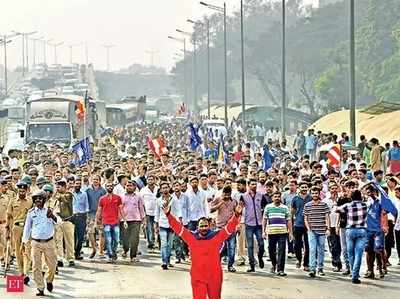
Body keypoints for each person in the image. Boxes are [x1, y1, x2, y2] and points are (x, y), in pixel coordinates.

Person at [162, 198, 243, 299]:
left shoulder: (216, 236)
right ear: (197, 227)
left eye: (206, 226)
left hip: (215, 276)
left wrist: (236, 215)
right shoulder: (191, 237)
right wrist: (168, 215)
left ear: (209, 226)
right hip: (198, 277)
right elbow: (177, 227)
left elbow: (229, 227)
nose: (204, 228)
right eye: (201, 226)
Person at [21, 190, 59, 296]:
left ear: (44, 200)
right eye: (36, 198)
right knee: (36, 267)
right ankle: (40, 287)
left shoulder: (50, 210)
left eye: (40, 198)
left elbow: (59, 222)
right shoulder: (31, 212)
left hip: (49, 242)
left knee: (52, 266)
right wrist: (24, 242)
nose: (38, 200)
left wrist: (52, 216)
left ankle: (49, 280)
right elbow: (27, 228)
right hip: (35, 243)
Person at [336, 190, 368, 284]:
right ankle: (355, 275)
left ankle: (353, 272)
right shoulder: (365, 205)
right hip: (362, 230)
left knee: (350, 253)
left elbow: (336, 209)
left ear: (352, 197)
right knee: (359, 253)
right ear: (360, 196)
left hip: (350, 230)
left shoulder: (348, 205)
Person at [6, 180, 33, 285]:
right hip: (16, 229)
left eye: (23, 191)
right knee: (18, 251)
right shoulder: (12, 201)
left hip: (27, 229)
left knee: (27, 250)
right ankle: (21, 272)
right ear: (18, 190)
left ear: (26, 191)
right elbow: (9, 216)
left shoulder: (30, 202)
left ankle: (26, 273)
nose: (22, 192)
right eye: (20, 190)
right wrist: (7, 230)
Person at [240, 178, 268, 272]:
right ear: (248, 185)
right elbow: (239, 209)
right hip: (249, 223)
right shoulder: (243, 196)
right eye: (252, 184)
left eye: (255, 184)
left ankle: (260, 257)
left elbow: (266, 207)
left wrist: (264, 216)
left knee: (261, 243)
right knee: (250, 245)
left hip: (259, 223)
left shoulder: (261, 195)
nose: (254, 186)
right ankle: (251, 265)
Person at [96, 182, 127, 263]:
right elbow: (99, 211)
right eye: (108, 186)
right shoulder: (102, 199)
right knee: (108, 240)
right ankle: (110, 255)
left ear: (113, 187)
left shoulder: (118, 198)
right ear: (105, 187)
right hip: (106, 222)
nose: (110, 187)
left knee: (116, 239)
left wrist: (125, 220)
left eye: (111, 185)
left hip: (116, 222)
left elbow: (121, 209)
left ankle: (113, 251)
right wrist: (96, 221)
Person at [262, 191, 292, 276]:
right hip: (271, 232)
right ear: (272, 198)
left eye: (279, 196)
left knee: (282, 251)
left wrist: (290, 232)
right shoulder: (268, 207)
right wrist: (263, 231)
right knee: (271, 250)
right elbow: (264, 219)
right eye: (275, 196)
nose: (277, 198)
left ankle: (280, 269)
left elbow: (288, 220)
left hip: (282, 232)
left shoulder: (285, 208)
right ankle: (274, 264)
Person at [303, 186, 330, 278]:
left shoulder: (324, 205)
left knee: (321, 249)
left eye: (316, 193)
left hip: (322, 230)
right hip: (312, 230)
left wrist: (328, 228)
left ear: (319, 194)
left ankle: (320, 268)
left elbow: (327, 217)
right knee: (312, 249)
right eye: (313, 193)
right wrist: (308, 228)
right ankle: (312, 269)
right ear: (311, 194)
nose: (315, 195)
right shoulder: (307, 205)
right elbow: (305, 218)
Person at [210, 185, 238, 272]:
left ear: (230, 194)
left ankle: (230, 265)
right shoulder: (218, 199)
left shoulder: (234, 201)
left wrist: (237, 225)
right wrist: (219, 204)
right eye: (225, 194)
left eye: (228, 194)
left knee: (232, 247)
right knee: (220, 247)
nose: (226, 196)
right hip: (220, 227)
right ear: (222, 193)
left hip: (231, 227)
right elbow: (211, 210)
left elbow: (237, 213)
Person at [121, 180, 145, 263]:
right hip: (124, 221)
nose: (129, 187)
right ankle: (125, 249)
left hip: (136, 220)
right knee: (125, 239)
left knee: (135, 239)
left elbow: (141, 208)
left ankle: (133, 256)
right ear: (125, 187)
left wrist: (143, 219)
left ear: (134, 187)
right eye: (127, 185)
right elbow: (119, 209)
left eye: (131, 186)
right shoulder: (122, 197)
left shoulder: (138, 196)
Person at [53, 179, 75, 267]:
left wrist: (56, 194)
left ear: (64, 187)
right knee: (58, 240)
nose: (57, 188)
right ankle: (59, 258)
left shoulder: (68, 194)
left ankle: (70, 258)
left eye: (59, 187)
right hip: (58, 220)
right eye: (57, 186)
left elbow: (65, 200)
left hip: (67, 220)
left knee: (69, 240)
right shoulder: (56, 196)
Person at [291, 181, 311, 271]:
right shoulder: (295, 198)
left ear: (308, 188)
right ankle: (299, 259)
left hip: (309, 225)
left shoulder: (311, 198)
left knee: (308, 245)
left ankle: (306, 263)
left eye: (305, 187)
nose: (304, 189)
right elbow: (292, 211)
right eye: (302, 187)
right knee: (297, 245)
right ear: (299, 188)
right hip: (298, 224)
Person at [86, 174, 106, 259]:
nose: (95, 181)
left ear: (99, 181)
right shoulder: (88, 190)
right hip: (90, 213)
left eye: (97, 179)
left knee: (102, 232)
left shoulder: (103, 190)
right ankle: (94, 249)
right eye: (94, 179)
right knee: (90, 232)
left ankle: (101, 251)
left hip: (101, 213)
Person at [139, 174, 158, 251]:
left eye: (152, 179)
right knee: (149, 228)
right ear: (147, 181)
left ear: (155, 180)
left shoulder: (158, 189)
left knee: (158, 228)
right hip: (147, 212)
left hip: (158, 211)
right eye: (149, 179)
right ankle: (151, 243)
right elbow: (140, 202)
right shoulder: (143, 190)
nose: (150, 181)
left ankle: (159, 242)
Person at [71, 178, 89, 260]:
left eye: (79, 184)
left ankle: (77, 252)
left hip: (81, 217)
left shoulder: (84, 194)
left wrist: (86, 217)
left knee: (80, 236)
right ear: (73, 184)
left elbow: (86, 206)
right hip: (72, 217)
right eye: (76, 183)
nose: (77, 185)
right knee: (72, 236)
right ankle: (72, 253)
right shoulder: (70, 194)